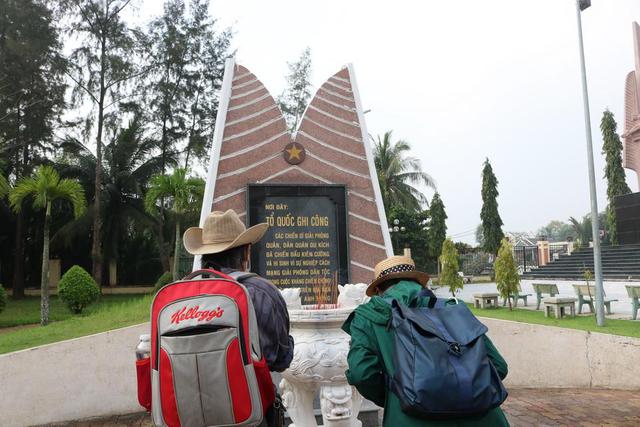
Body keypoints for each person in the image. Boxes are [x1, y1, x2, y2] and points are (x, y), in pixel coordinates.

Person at [342, 255, 509, 427]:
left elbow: (361, 374)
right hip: (484, 418)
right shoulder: (452, 308)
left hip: (410, 419)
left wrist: (399, 395)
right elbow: (498, 366)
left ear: (378, 290)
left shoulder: (368, 316)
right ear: (419, 283)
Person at [183, 209, 293, 426]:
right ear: (246, 253)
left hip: (187, 414)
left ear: (204, 255)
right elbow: (281, 360)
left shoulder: (180, 295)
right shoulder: (261, 293)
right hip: (248, 415)